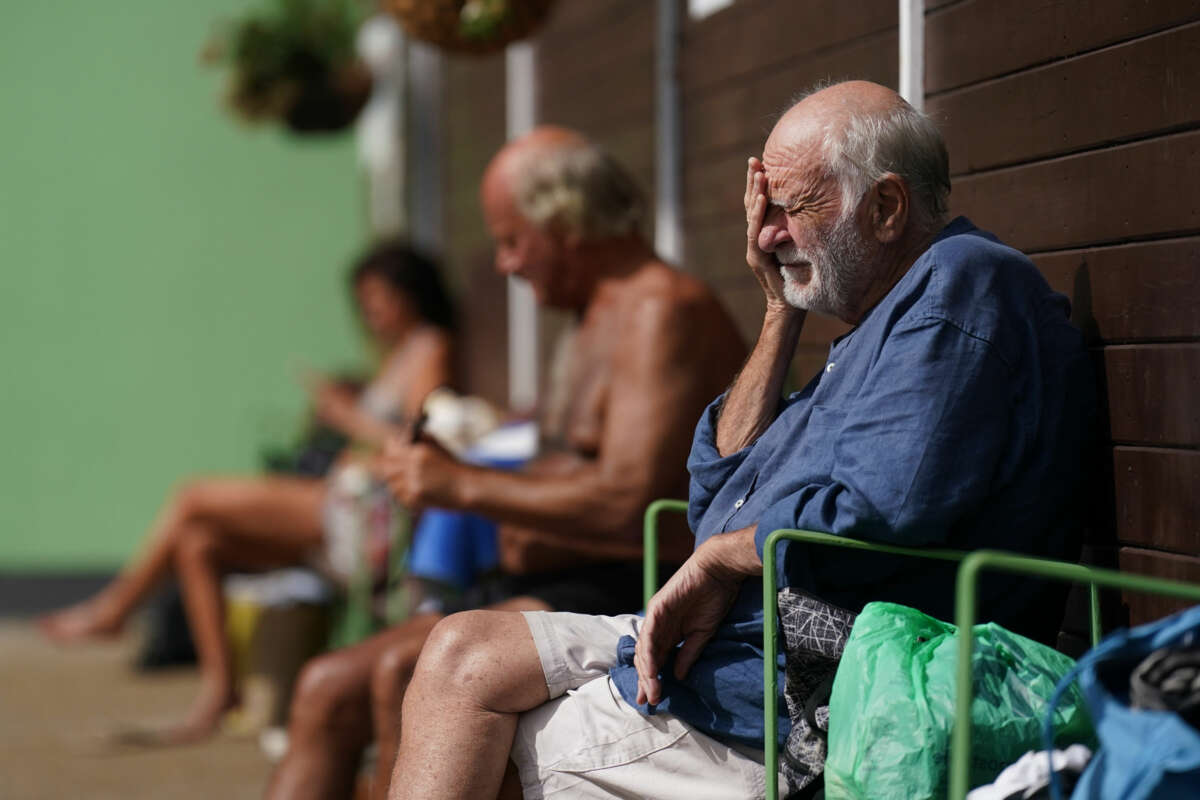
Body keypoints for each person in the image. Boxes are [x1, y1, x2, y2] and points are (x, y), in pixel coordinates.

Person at [384, 80, 1096, 800]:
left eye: (790, 209)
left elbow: (884, 507)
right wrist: (778, 312)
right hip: (733, 652)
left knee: (490, 745)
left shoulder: (959, 288)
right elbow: (719, 490)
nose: (765, 235)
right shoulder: (871, 326)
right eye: (766, 212)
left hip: (808, 692)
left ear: (884, 208)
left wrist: (726, 557)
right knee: (458, 652)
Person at [265, 126, 748, 800]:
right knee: (322, 688)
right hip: (557, 581)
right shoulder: (596, 315)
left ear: (567, 222)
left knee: (397, 670)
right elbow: (573, 464)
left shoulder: (659, 311)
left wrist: (462, 485)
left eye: (512, 239)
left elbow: (627, 500)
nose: (504, 264)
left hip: (630, 588)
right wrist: (466, 465)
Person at [37, 241, 456, 743]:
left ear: (412, 293)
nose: (370, 311)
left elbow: (424, 439)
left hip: (365, 519)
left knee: (194, 496)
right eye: (363, 300)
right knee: (198, 542)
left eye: (379, 297)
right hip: (342, 507)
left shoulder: (431, 346)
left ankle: (115, 610)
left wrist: (347, 416)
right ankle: (219, 694)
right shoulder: (399, 354)